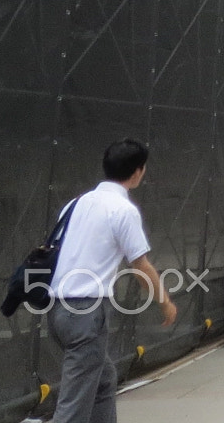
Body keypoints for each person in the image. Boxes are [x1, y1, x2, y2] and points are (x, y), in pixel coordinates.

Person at [47, 138, 177, 423]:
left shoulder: (74, 205)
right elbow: (140, 265)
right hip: (86, 313)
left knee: (104, 379)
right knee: (72, 410)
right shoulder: (123, 210)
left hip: (57, 311)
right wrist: (165, 302)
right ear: (138, 172)